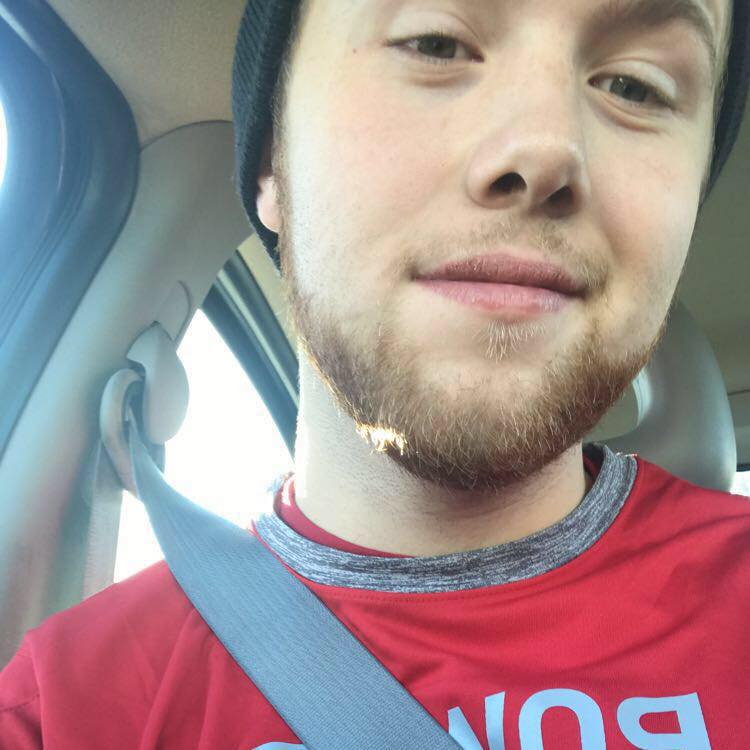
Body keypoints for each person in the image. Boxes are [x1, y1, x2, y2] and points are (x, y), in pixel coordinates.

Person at [2, 0, 750, 747]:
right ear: (271, 164)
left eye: (635, 87)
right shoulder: (63, 712)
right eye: (435, 43)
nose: (545, 151)